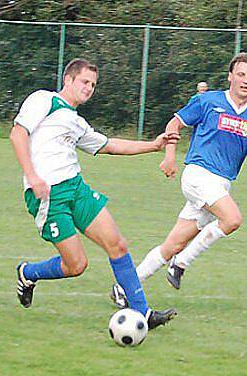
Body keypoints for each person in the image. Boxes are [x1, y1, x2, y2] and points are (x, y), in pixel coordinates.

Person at [11, 58, 179, 328]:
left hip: (76, 189)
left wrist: (153, 145)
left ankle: (142, 312)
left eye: (93, 84)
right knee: (76, 265)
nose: (89, 88)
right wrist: (32, 176)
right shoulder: (44, 100)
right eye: (84, 82)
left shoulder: (76, 122)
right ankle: (28, 272)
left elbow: (109, 145)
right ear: (68, 80)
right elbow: (18, 134)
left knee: (118, 244)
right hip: (48, 195)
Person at [111, 52, 247, 308]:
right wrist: (169, 157)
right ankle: (181, 263)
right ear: (230, 76)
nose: (245, 80)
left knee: (172, 244)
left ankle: (123, 288)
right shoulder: (207, 101)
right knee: (232, 219)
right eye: (241, 74)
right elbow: (174, 124)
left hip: (221, 184)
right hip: (197, 175)